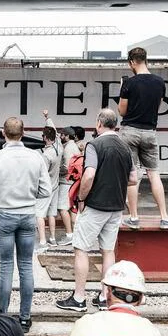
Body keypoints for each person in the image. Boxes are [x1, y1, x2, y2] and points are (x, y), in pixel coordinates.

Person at [56, 109, 136, 313]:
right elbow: (133, 178)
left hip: (95, 205)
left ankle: (79, 298)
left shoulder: (95, 144)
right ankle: (103, 297)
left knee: (81, 249)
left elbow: (89, 175)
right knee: (108, 251)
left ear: (99, 123)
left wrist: (81, 198)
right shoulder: (125, 146)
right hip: (116, 206)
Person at [0, 117, 51, 332]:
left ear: (3, 133)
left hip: (4, 215)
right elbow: (46, 190)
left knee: (6, 267)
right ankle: (25, 317)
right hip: (28, 215)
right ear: (23, 132)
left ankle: (1, 315)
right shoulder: (35, 157)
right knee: (27, 266)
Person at [118, 47, 168, 230]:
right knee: (154, 174)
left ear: (132, 62)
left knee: (132, 174)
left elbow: (122, 111)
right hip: (150, 131)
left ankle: (134, 217)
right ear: (145, 60)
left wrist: (123, 88)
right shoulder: (159, 82)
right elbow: (157, 106)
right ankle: (165, 217)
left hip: (130, 131)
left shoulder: (129, 83)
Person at [36, 113, 62, 249]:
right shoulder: (59, 146)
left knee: (39, 214)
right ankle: (52, 238)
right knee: (52, 213)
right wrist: (47, 118)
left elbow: (42, 174)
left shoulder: (47, 155)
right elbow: (54, 130)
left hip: (47, 188)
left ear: (45, 138)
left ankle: (42, 241)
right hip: (56, 185)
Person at [55, 126, 81, 247]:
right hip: (73, 182)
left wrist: (55, 170)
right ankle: (75, 235)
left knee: (62, 208)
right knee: (72, 209)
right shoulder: (73, 146)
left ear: (67, 136)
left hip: (66, 183)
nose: (60, 137)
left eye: (62, 135)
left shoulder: (68, 148)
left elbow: (67, 167)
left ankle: (69, 235)